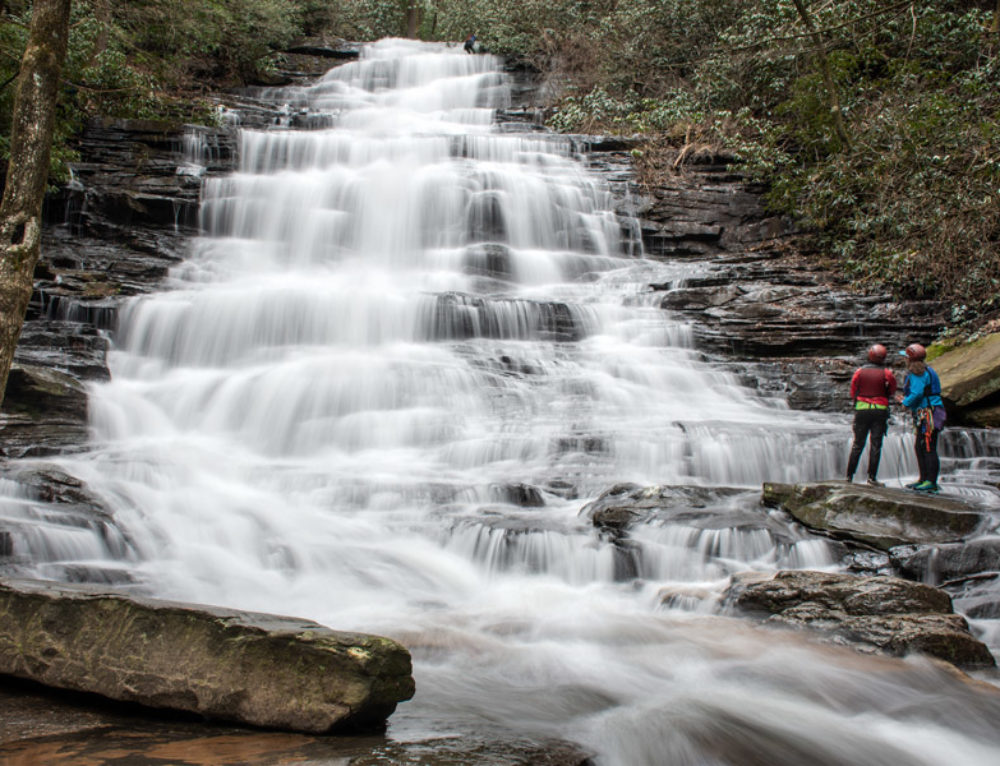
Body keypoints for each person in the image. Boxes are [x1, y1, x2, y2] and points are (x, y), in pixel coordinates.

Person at [896, 342, 945, 493]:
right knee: (920, 446)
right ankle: (923, 479)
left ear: (910, 359)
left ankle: (931, 481)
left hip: (928, 413)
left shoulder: (917, 373)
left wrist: (904, 401)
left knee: (928, 447)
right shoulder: (929, 370)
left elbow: (917, 393)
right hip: (930, 411)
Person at [846, 343, 897, 487]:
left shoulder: (859, 372)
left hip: (862, 410)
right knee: (876, 445)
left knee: (858, 444)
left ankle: (849, 476)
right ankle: (872, 478)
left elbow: (853, 389)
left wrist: (858, 400)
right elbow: (892, 388)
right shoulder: (887, 373)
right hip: (880, 411)